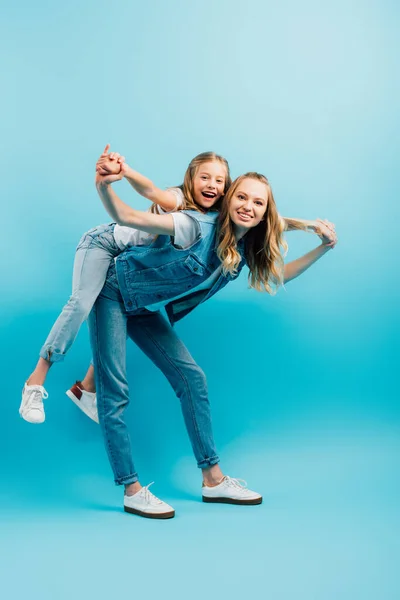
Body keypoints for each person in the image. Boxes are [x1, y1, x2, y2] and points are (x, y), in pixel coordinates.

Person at [86, 167, 337, 519]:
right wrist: (105, 185)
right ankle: (131, 489)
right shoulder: (197, 225)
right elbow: (128, 215)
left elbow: (279, 273)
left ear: (265, 212)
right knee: (115, 392)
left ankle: (213, 480)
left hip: (144, 304)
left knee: (193, 380)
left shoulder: (240, 245)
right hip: (113, 289)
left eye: (258, 203)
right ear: (228, 199)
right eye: (242, 197)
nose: (248, 206)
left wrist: (321, 246)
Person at [20, 146, 231, 424]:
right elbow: (151, 191)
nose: (212, 185)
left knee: (120, 314)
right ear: (191, 178)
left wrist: (302, 225)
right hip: (103, 244)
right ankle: (35, 383)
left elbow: (261, 218)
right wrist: (125, 171)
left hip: (126, 263)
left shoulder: (214, 219)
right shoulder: (178, 200)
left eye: (219, 181)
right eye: (205, 177)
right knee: (81, 302)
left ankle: (86, 389)